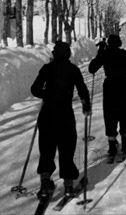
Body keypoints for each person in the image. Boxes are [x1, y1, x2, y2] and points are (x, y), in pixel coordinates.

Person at [31, 41, 91, 197]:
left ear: (55, 54)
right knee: (66, 148)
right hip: (65, 114)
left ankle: (45, 182)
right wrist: (86, 106)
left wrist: (47, 95)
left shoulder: (47, 69)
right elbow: (82, 89)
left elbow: (35, 89)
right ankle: (69, 184)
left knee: (46, 148)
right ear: (68, 54)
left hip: (47, 114)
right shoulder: (73, 70)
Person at [88, 34, 126, 157]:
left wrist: (99, 53)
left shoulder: (105, 54)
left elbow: (92, 68)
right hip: (123, 86)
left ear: (109, 43)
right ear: (119, 43)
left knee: (110, 114)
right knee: (125, 113)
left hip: (110, 86)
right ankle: (125, 144)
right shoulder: (124, 54)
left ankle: (112, 146)